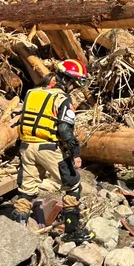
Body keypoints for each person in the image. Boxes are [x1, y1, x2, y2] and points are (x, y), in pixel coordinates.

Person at [12, 59, 93, 243]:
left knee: (26, 190)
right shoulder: (62, 98)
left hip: (26, 147)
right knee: (72, 186)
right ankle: (72, 232)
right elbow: (65, 130)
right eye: (75, 82)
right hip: (48, 148)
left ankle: (17, 235)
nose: (74, 87)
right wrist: (76, 152)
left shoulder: (32, 93)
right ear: (68, 80)